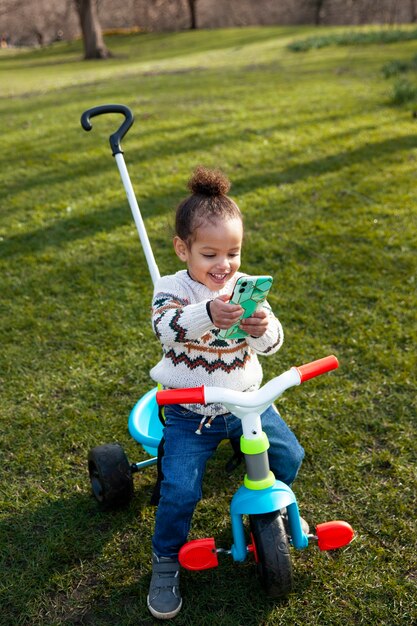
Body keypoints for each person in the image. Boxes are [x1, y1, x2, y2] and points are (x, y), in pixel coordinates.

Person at [147, 166, 305, 619]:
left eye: (233, 252)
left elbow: (272, 345)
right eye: (210, 253)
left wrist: (261, 328)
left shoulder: (246, 286)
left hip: (246, 405)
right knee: (180, 488)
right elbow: (165, 327)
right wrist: (207, 314)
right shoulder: (173, 288)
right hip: (190, 411)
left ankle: (264, 518)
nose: (224, 265)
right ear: (184, 249)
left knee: (289, 457)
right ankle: (165, 560)